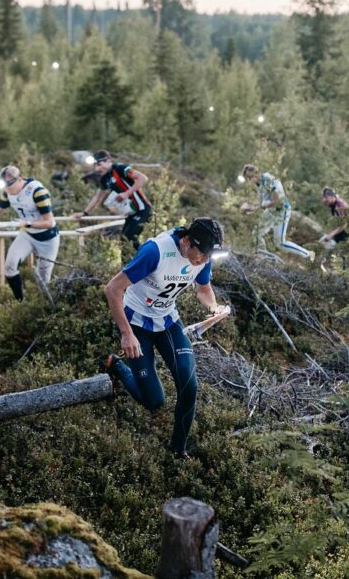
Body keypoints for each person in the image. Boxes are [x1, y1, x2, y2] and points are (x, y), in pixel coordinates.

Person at [100, 218, 230, 459]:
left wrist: (214, 308)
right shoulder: (155, 251)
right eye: (200, 254)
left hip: (168, 321)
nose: (202, 261)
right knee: (154, 401)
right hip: (137, 323)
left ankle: (178, 450)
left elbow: (203, 290)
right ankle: (116, 365)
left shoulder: (204, 257)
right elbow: (113, 289)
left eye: (207, 257)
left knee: (189, 385)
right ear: (187, 241)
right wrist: (127, 334)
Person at [0, 165, 59, 301]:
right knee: (10, 267)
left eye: (10, 187)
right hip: (27, 235)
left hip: (47, 238)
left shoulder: (37, 191)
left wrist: (27, 223)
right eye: (4, 188)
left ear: (19, 180)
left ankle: (48, 309)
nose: (8, 191)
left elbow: (50, 223)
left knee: (43, 281)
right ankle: (20, 302)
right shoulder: (7, 192)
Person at [75, 150, 151, 249]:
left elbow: (143, 178)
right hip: (131, 213)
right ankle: (128, 263)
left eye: (99, 164)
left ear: (108, 161)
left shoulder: (120, 169)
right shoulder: (104, 179)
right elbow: (97, 197)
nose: (97, 168)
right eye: (95, 165)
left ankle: (145, 260)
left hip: (143, 210)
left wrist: (127, 193)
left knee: (129, 238)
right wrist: (85, 213)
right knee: (124, 241)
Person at [240, 164, 313, 262]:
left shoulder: (267, 179)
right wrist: (250, 208)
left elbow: (277, 200)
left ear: (256, 174)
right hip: (271, 211)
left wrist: (260, 206)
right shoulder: (259, 184)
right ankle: (262, 258)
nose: (250, 181)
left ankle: (308, 254)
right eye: (248, 179)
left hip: (281, 211)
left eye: (250, 177)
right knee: (257, 234)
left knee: (280, 243)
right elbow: (261, 202)